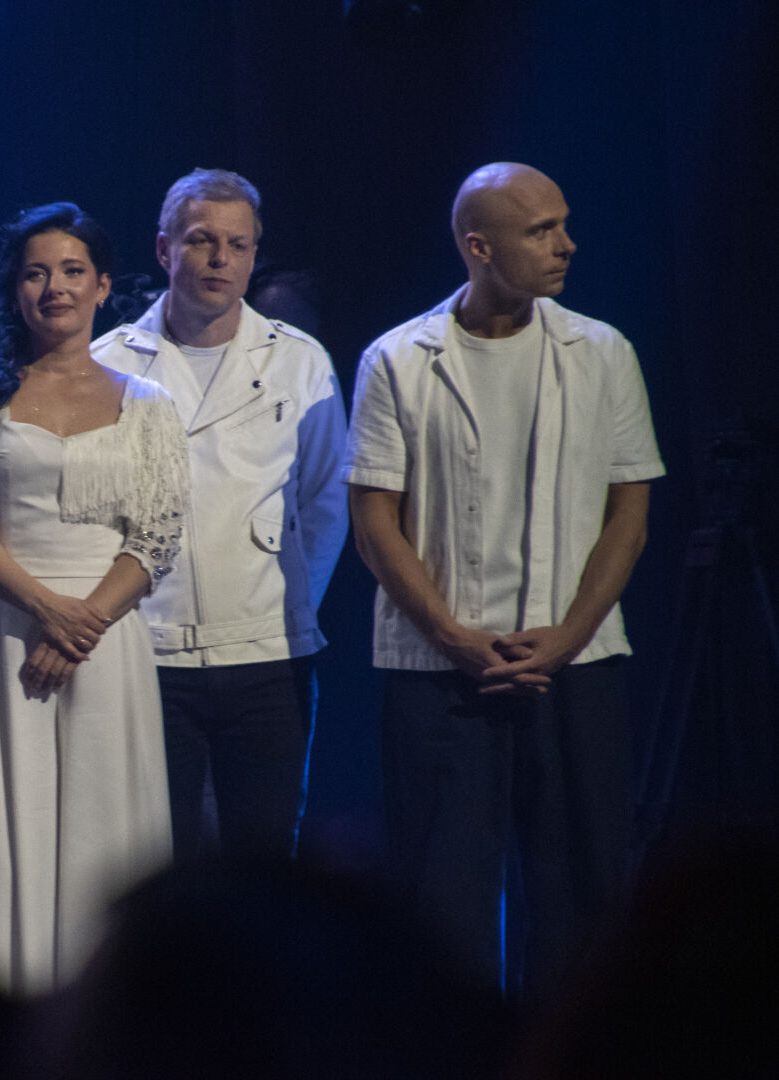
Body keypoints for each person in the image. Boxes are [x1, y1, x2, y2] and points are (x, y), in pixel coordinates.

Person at [343, 162, 664, 997]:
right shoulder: (398, 358)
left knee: (584, 892)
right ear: (479, 247)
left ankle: (571, 1049)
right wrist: (452, 635)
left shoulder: (601, 351)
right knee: (438, 897)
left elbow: (628, 514)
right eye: (541, 230)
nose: (567, 245)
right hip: (440, 671)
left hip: (575, 665)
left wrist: (568, 637)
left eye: (563, 224)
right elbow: (374, 521)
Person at [0, 202, 187, 995]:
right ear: (15, 289)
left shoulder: (147, 402)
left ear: (103, 285)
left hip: (104, 642)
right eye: (36, 273)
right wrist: (45, 609)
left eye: (72, 271)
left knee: (104, 833)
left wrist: (81, 624)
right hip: (0, 631)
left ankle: (98, 1016)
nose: (54, 287)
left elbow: (157, 535)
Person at [93, 169, 347, 865]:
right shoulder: (106, 364)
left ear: (254, 255)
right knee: (157, 859)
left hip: (269, 653)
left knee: (265, 862)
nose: (219, 259)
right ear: (164, 249)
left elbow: (325, 502)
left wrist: (289, 606)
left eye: (238, 245)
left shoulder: (300, 361)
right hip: (151, 650)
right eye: (202, 241)